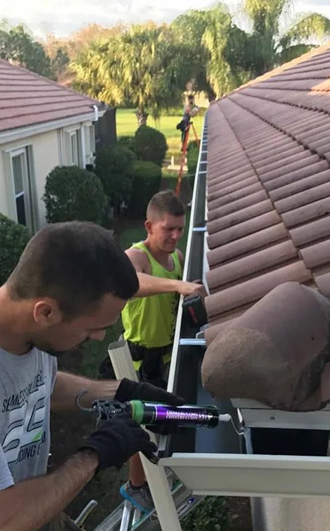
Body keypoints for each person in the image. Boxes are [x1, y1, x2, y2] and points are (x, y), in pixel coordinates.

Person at [0, 221, 184, 531]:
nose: (100, 337)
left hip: (32, 509)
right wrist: (94, 455)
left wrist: (121, 392)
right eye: (92, 328)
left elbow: (35, 386)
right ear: (46, 312)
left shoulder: (22, 329)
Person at [119, 191, 206, 513]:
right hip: (138, 359)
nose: (174, 236)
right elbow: (131, 283)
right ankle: (136, 485)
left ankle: (153, 475)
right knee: (140, 426)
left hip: (166, 357)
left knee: (160, 422)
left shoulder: (177, 259)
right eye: (168, 228)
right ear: (148, 226)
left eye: (179, 229)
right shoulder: (137, 255)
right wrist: (178, 286)